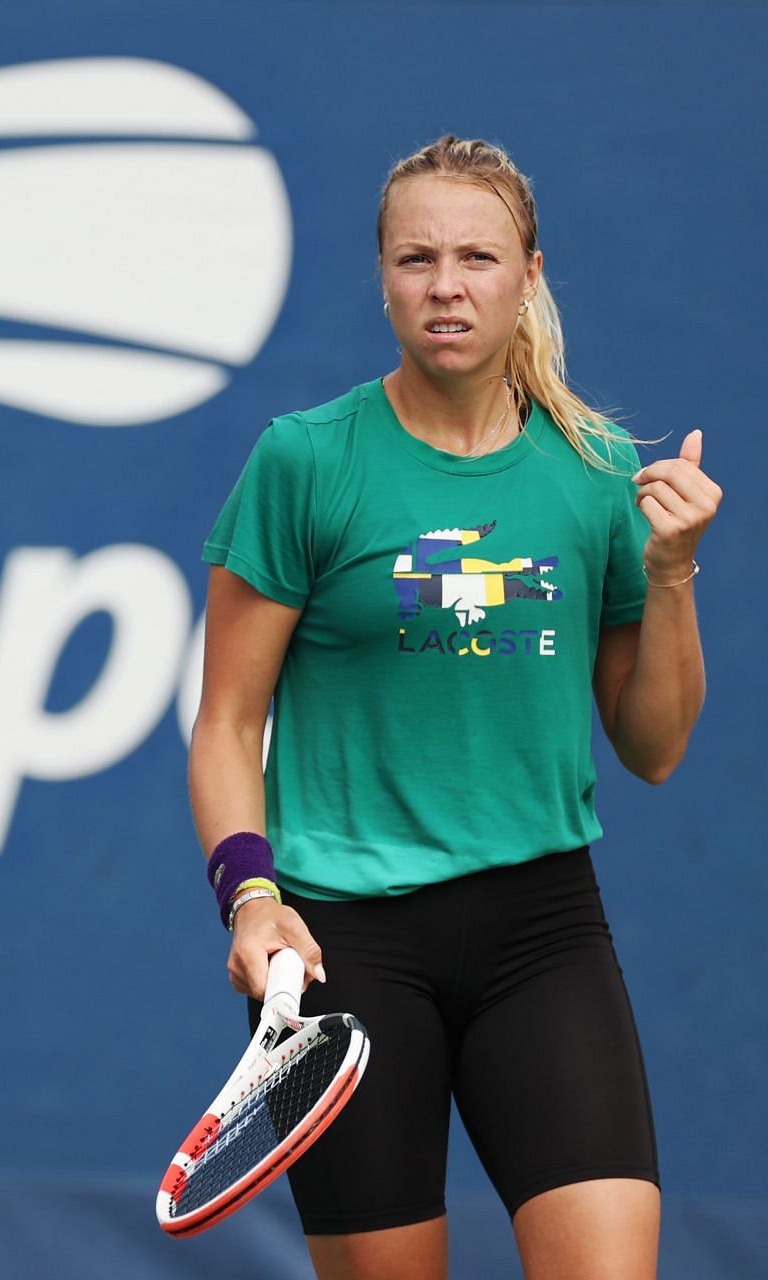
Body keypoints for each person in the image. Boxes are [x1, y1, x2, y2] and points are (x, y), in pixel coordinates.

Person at [188, 135, 720, 1280]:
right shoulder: (304, 461)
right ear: (381, 276)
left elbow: (654, 746)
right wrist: (250, 895)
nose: (446, 285)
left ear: (529, 272)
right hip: (345, 946)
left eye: (478, 257)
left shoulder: (596, 472)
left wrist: (671, 573)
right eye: (416, 257)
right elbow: (228, 720)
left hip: (545, 934)